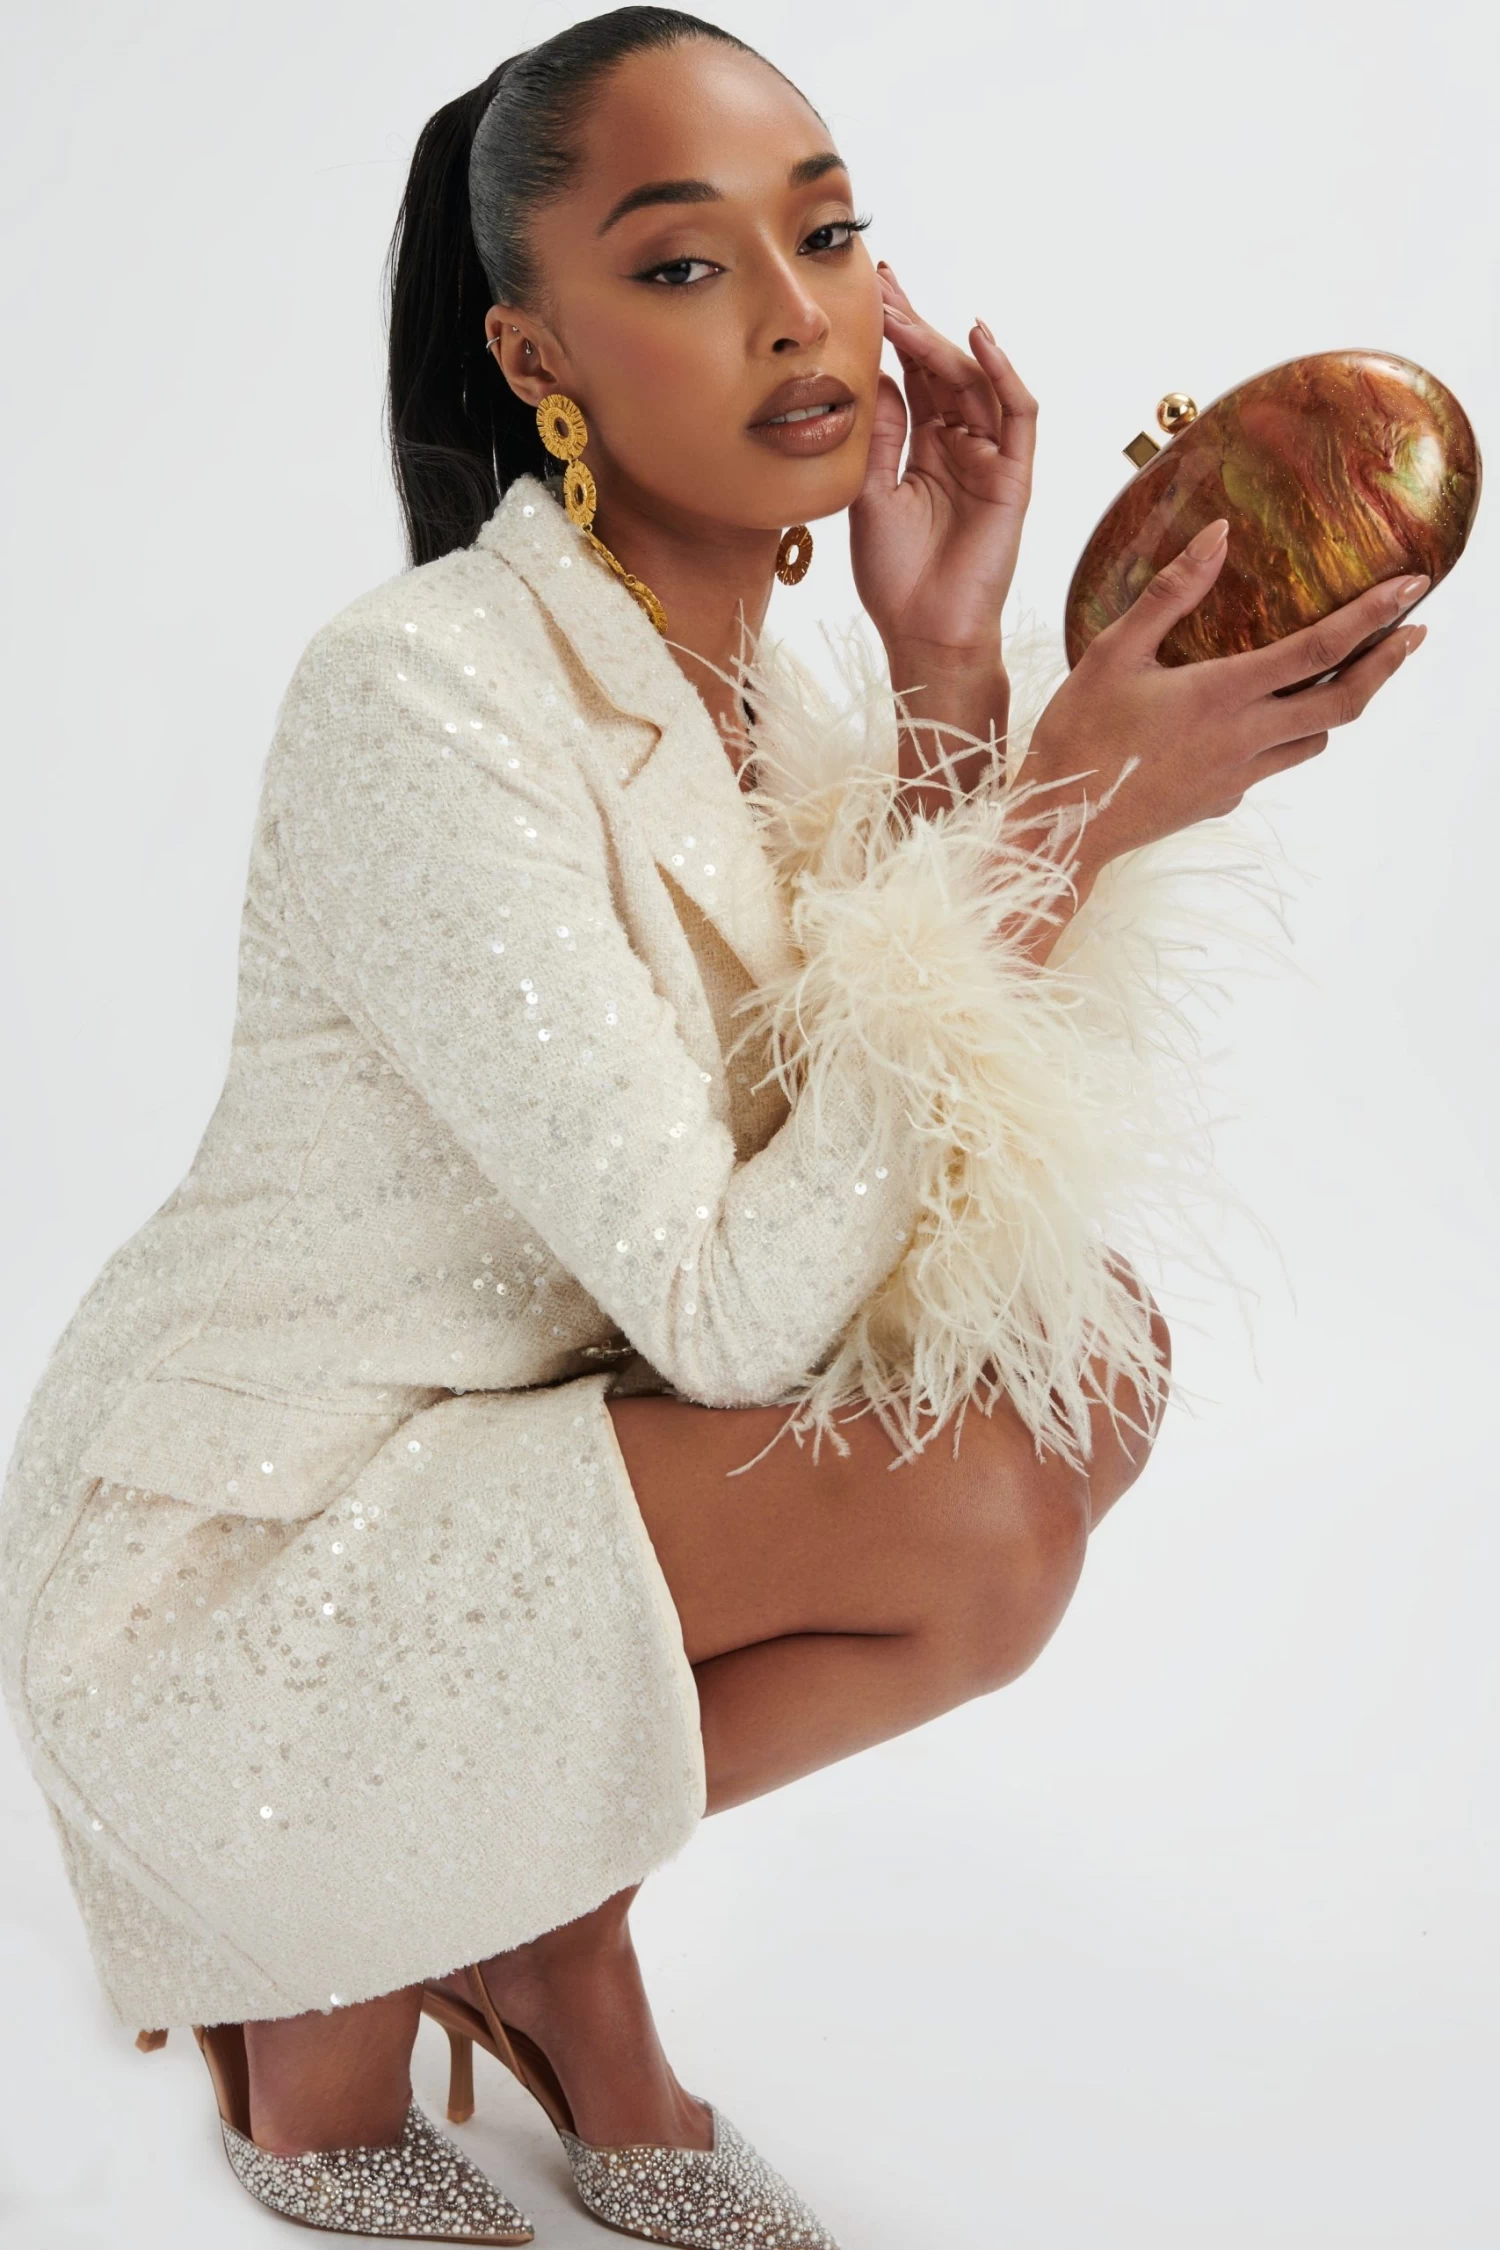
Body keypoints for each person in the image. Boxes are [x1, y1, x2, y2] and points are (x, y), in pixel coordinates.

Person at [0, 8, 1428, 2244]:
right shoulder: (421, 692)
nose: (794, 313)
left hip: (513, 1457)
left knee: (1090, 1366)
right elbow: (734, 1314)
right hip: (260, 1560)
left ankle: (524, 1906)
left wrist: (952, 672)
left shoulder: (766, 689)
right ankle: (337, 1968)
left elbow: (901, 1216)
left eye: (829, 236)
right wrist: (1064, 808)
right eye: (682, 264)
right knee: (975, 1519)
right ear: (533, 352)